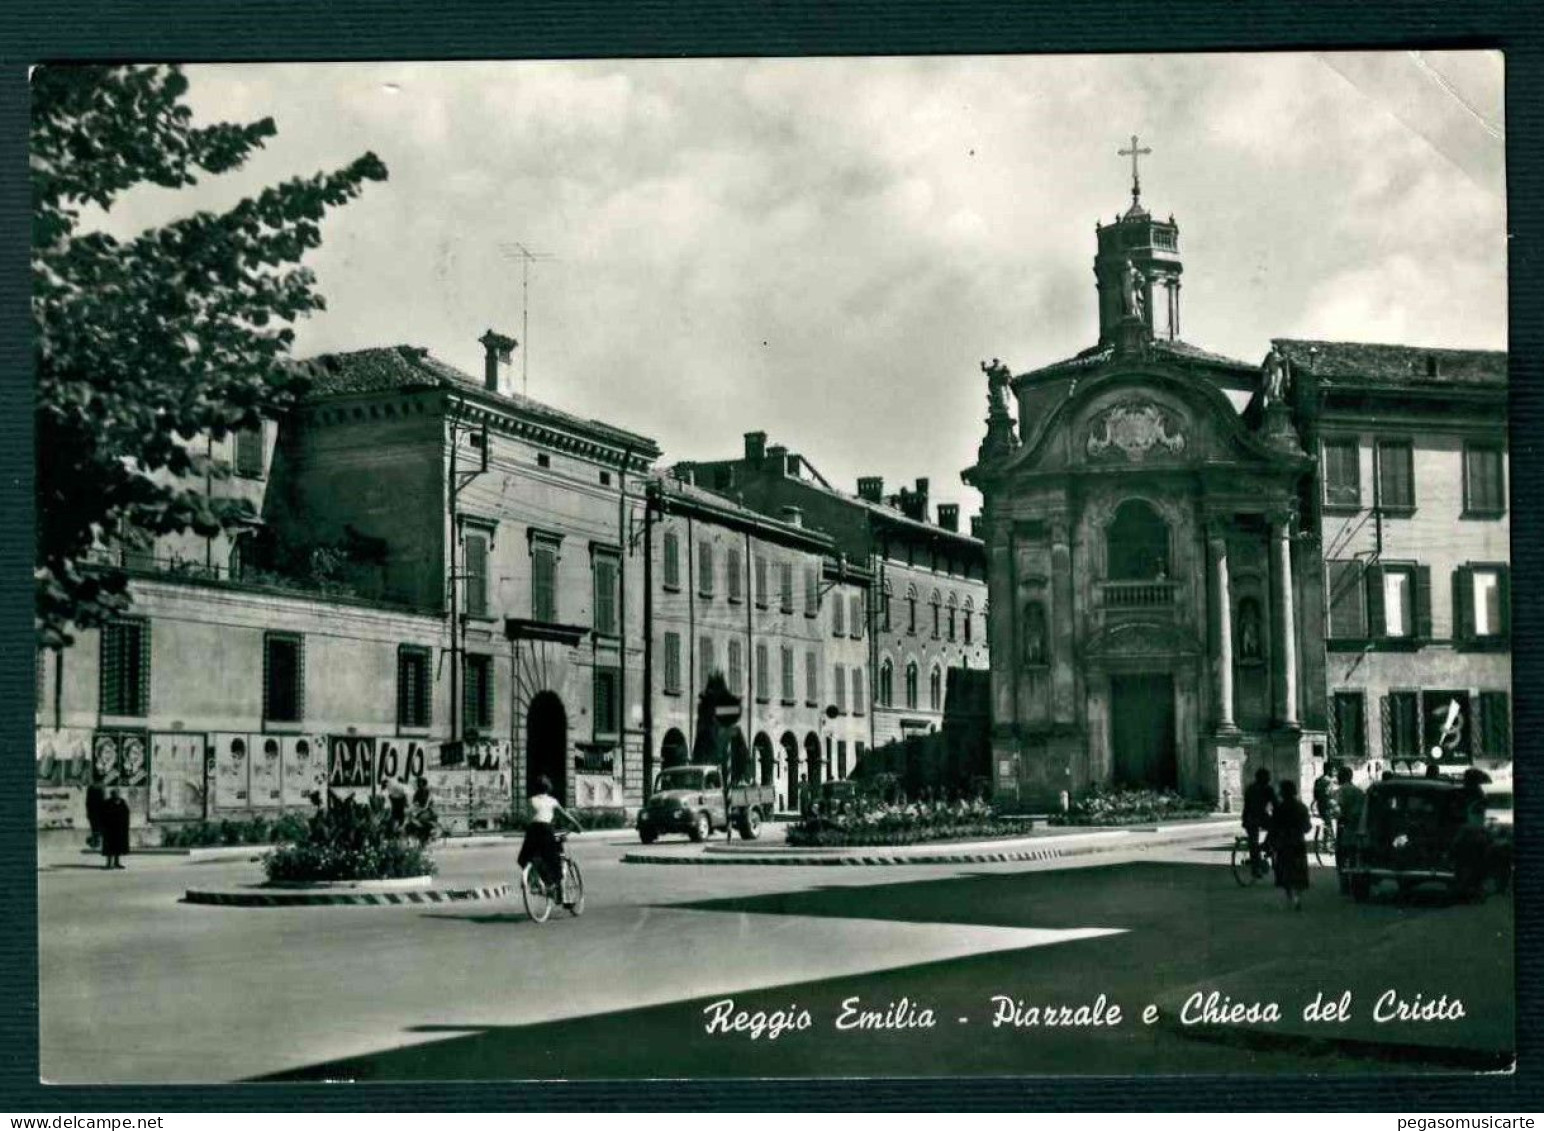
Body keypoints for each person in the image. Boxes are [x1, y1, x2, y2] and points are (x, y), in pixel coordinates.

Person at [517, 776, 583, 907]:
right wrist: (577, 826)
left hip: (532, 831)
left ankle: (534, 879)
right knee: (554, 862)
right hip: (546, 830)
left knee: (526, 857)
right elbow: (565, 816)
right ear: (548, 788)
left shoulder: (530, 801)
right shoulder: (552, 801)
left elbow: (529, 818)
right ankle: (560, 893)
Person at [1270, 779, 1312, 910]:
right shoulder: (1301, 807)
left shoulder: (1279, 808)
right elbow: (1307, 827)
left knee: (1285, 870)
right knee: (1298, 870)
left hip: (1283, 843)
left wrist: (1271, 842)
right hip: (1298, 842)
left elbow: (1274, 827)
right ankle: (1297, 897)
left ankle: (1290, 896)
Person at [1333, 764, 1365, 894]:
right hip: (1357, 827)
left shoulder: (1340, 791)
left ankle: (1344, 885)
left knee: (1341, 857)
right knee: (1354, 857)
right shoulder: (1359, 791)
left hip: (1344, 826)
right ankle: (1355, 884)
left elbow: (1337, 811)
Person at [1242, 768, 1276, 879]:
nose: (1269, 779)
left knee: (1253, 842)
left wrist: (1244, 820)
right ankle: (1266, 845)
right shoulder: (1268, 789)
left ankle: (1255, 868)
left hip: (1250, 817)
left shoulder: (1250, 788)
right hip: (1260, 816)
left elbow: (1246, 806)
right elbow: (1276, 804)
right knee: (1275, 828)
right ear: (1264, 779)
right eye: (1267, 777)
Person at [100, 787, 131, 870]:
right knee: (109, 847)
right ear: (112, 795)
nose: (116, 795)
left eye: (117, 793)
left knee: (118, 846)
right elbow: (103, 815)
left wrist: (125, 825)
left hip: (120, 829)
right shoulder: (107, 803)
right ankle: (109, 863)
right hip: (110, 829)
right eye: (114, 794)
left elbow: (126, 813)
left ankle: (117, 862)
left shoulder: (122, 802)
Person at [84, 773, 106, 852]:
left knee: (94, 828)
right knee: (99, 827)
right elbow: (103, 800)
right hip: (99, 811)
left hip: (92, 811)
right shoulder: (101, 787)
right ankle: (96, 842)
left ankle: (95, 842)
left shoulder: (91, 787)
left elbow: (87, 801)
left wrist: (87, 811)